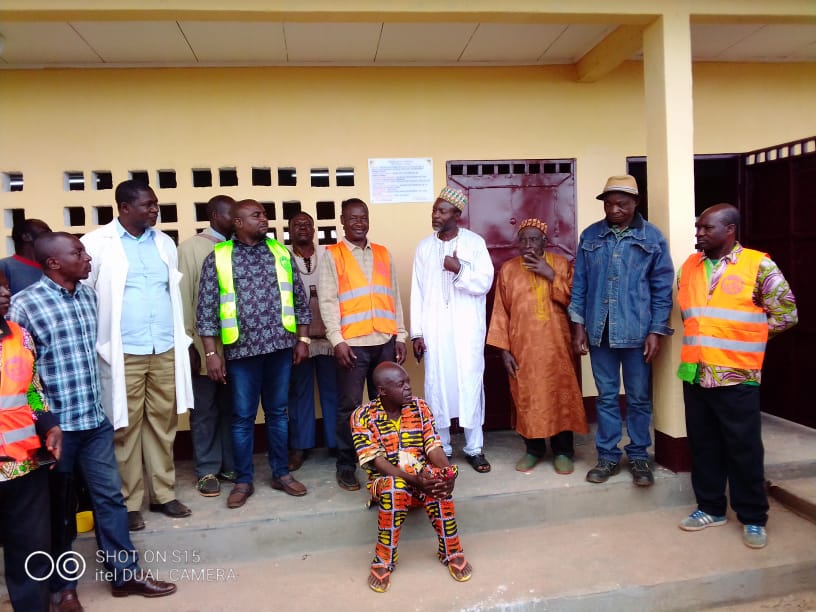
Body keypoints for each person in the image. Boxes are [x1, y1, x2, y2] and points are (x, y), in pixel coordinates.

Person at [10, 232, 178, 609]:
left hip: (94, 421)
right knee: (58, 511)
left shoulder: (90, 297)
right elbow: (24, 377)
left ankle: (125, 575)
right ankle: (62, 588)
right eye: (78, 252)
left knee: (110, 500)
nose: (87, 258)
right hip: (57, 431)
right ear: (53, 263)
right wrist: (45, 422)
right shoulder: (25, 306)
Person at [676, 204, 797, 549]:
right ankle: (710, 508)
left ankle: (753, 517)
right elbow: (691, 312)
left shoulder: (758, 264)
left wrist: (748, 341)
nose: (698, 233)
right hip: (695, 371)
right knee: (704, 446)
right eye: (697, 227)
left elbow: (787, 313)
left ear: (729, 230)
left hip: (737, 374)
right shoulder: (690, 266)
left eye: (706, 228)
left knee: (743, 449)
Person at [80, 179, 194, 531]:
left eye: (155, 204)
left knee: (163, 423)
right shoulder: (96, 244)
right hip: (122, 350)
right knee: (124, 427)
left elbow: (169, 291)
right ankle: (129, 501)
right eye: (148, 205)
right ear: (125, 207)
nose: (154, 210)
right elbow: (85, 295)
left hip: (163, 346)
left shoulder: (164, 243)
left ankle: (163, 494)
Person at [197, 199, 311, 509]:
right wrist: (211, 355)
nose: (265, 219)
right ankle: (244, 480)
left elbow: (300, 299)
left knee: (278, 414)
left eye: (264, 214)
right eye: (256, 215)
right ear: (237, 222)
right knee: (243, 418)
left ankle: (281, 473)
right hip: (241, 353)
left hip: (279, 348)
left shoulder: (280, 252)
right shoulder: (219, 258)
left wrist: (302, 338)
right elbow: (206, 312)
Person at [568, 174, 674, 487]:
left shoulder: (652, 238)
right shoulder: (590, 236)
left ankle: (639, 456)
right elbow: (580, 285)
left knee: (640, 398)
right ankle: (608, 457)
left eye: (622, 204)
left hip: (638, 333)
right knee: (607, 397)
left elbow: (661, 288)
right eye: (610, 204)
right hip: (599, 332)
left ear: (635, 203)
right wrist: (578, 327)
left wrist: (656, 331)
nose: (614, 209)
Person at [351, 362, 472, 593]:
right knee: (396, 487)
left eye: (408, 382)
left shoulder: (420, 407)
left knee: (437, 480)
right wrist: (414, 481)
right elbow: (377, 461)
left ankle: (451, 550)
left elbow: (433, 446)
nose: (409, 388)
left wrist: (446, 473)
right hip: (385, 483)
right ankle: (384, 559)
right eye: (401, 384)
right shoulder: (362, 416)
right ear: (382, 391)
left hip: (420, 477)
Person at [319, 198, 408, 491]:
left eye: (363, 217)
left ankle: (386, 461)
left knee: (385, 405)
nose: (359, 222)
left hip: (384, 339)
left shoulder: (383, 253)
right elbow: (328, 301)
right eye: (353, 218)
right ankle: (346, 465)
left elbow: (393, 296)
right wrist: (337, 340)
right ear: (342, 221)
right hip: (352, 344)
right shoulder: (332, 255)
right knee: (350, 407)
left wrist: (401, 335)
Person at [486, 219, 588, 474]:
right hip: (524, 351)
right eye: (523, 239)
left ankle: (563, 451)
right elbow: (500, 311)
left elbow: (575, 302)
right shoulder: (508, 270)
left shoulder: (561, 265)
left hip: (558, 348)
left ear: (545, 240)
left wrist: (550, 274)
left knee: (560, 396)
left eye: (534, 239)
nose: (528, 244)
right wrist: (504, 350)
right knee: (527, 398)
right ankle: (534, 450)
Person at [410, 186, 494, 472]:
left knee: (469, 384)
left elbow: (484, 283)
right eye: (434, 209)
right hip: (434, 329)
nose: (436, 214)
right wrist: (417, 333)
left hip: (467, 329)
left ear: (457, 214)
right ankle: (441, 447)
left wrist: (459, 270)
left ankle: (474, 448)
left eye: (442, 210)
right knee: (437, 386)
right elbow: (417, 292)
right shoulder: (424, 247)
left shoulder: (475, 243)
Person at [0, 268, 62, 612]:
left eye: (6, 286)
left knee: (30, 551)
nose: (4, 293)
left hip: (23, 465)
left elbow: (33, 391)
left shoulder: (19, 336)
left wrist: (49, 425)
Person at [178, 195, 236, 497]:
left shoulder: (238, 247)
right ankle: (207, 469)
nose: (236, 220)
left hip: (236, 347)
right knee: (204, 410)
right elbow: (185, 301)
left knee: (232, 407)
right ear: (214, 215)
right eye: (231, 215)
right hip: (204, 348)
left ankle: (229, 463)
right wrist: (192, 346)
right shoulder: (190, 249)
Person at [287, 212, 338, 471]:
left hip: (329, 337)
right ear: (289, 230)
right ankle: (300, 446)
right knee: (300, 395)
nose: (303, 229)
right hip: (298, 341)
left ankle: (336, 443)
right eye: (297, 225)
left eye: (308, 224)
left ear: (315, 229)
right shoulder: (283, 257)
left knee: (333, 393)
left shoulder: (328, 254)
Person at [0, 218, 51, 294]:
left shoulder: (53, 265)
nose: (51, 237)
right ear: (26, 237)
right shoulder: (4, 266)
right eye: (45, 233)